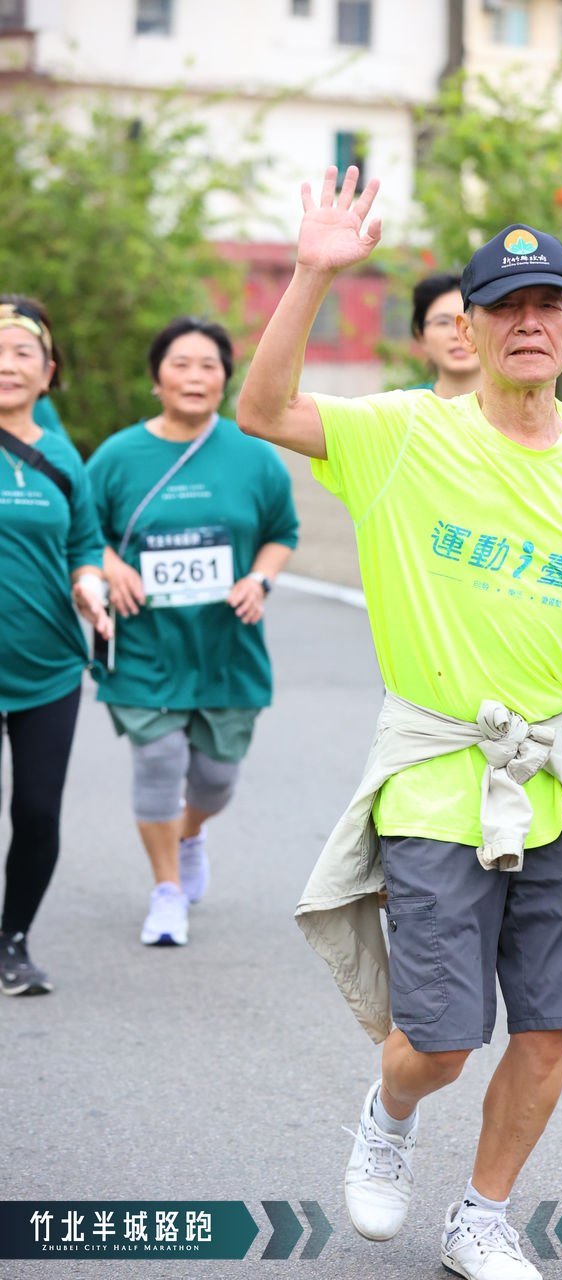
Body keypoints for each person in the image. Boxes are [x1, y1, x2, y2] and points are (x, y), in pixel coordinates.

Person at [237, 168, 562, 1280]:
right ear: (472, 329)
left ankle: (481, 1216)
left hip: (558, 778)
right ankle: (388, 1114)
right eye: (505, 307)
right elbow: (263, 412)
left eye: (549, 305)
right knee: (440, 1042)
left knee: (545, 1029)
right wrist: (311, 274)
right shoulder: (404, 433)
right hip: (438, 775)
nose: (528, 323)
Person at [86, 316, 299, 949]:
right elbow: (82, 533)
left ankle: (190, 832)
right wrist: (110, 564)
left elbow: (281, 534)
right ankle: (167, 890)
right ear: (157, 378)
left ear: (225, 380)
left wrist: (258, 580)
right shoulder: (118, 456)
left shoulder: (253, 456)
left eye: (209, 365)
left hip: (226, 648)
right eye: (180, 363)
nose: (195, 376)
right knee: (158, 762)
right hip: (145, 644)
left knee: (216, 778)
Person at [0, 296, 112, 996]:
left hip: (47, 666)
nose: (7, 365)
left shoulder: (65, 455)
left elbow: (83, 545)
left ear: (48, 372)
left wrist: (90, 589)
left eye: (22, 354)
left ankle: (13, 939)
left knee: (38, 812)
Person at [409, 273, 481, 398]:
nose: (457, 334)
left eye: (468, 321)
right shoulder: (402, 405)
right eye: (443, 322)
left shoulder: (516, 405)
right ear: (421, 337)